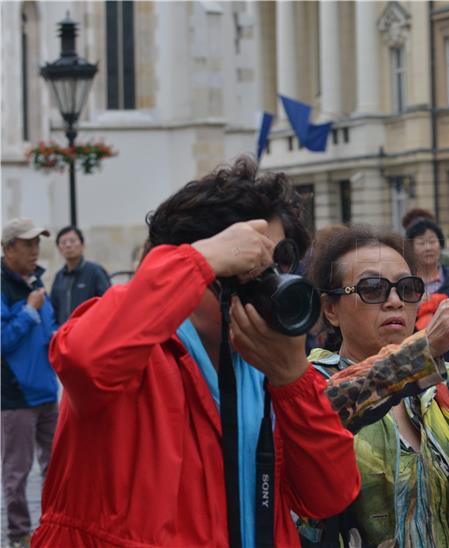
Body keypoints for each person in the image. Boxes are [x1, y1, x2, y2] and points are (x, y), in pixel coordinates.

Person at [32, 157, 361, 548]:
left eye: (277, 265)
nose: (267, 283)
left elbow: (330, 493)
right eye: (246, 264)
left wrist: (292, 380)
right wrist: (198, 261)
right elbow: (82, 361)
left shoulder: (265, 368)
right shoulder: (132, 350)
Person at [291, 225, 449, 547]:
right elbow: (325, 412)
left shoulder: (442, 383)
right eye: (372, 288)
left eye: (408, 288)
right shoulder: (311, 383)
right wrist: (422, 349)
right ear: (331, 310)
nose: (395, 301)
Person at [1, 218, 59, 548]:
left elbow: (47, 329)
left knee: (56, 466)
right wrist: (28, 311)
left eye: (37, 243)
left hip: (47, 392)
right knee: (17, 471)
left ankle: (51, 526)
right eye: (27, 244)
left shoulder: (36, 280)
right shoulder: (4, 287)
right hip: (15, 396)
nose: (35, 250)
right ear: (8, 249)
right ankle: (19, 534)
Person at [406, 218, 449, 366]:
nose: (428, 247)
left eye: (432, 241)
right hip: (415, 355)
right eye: (421, 243)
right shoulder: (405, 282)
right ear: (411, 247)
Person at [50, 226, 111, 326]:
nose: (68, 245)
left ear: (83, 245)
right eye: (63, 242)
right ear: (59, 248)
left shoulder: (95, 271)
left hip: (89, 332)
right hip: (64, 335)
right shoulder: (59, 277)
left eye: (72, 241)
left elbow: (107, 303)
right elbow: (54, 308)